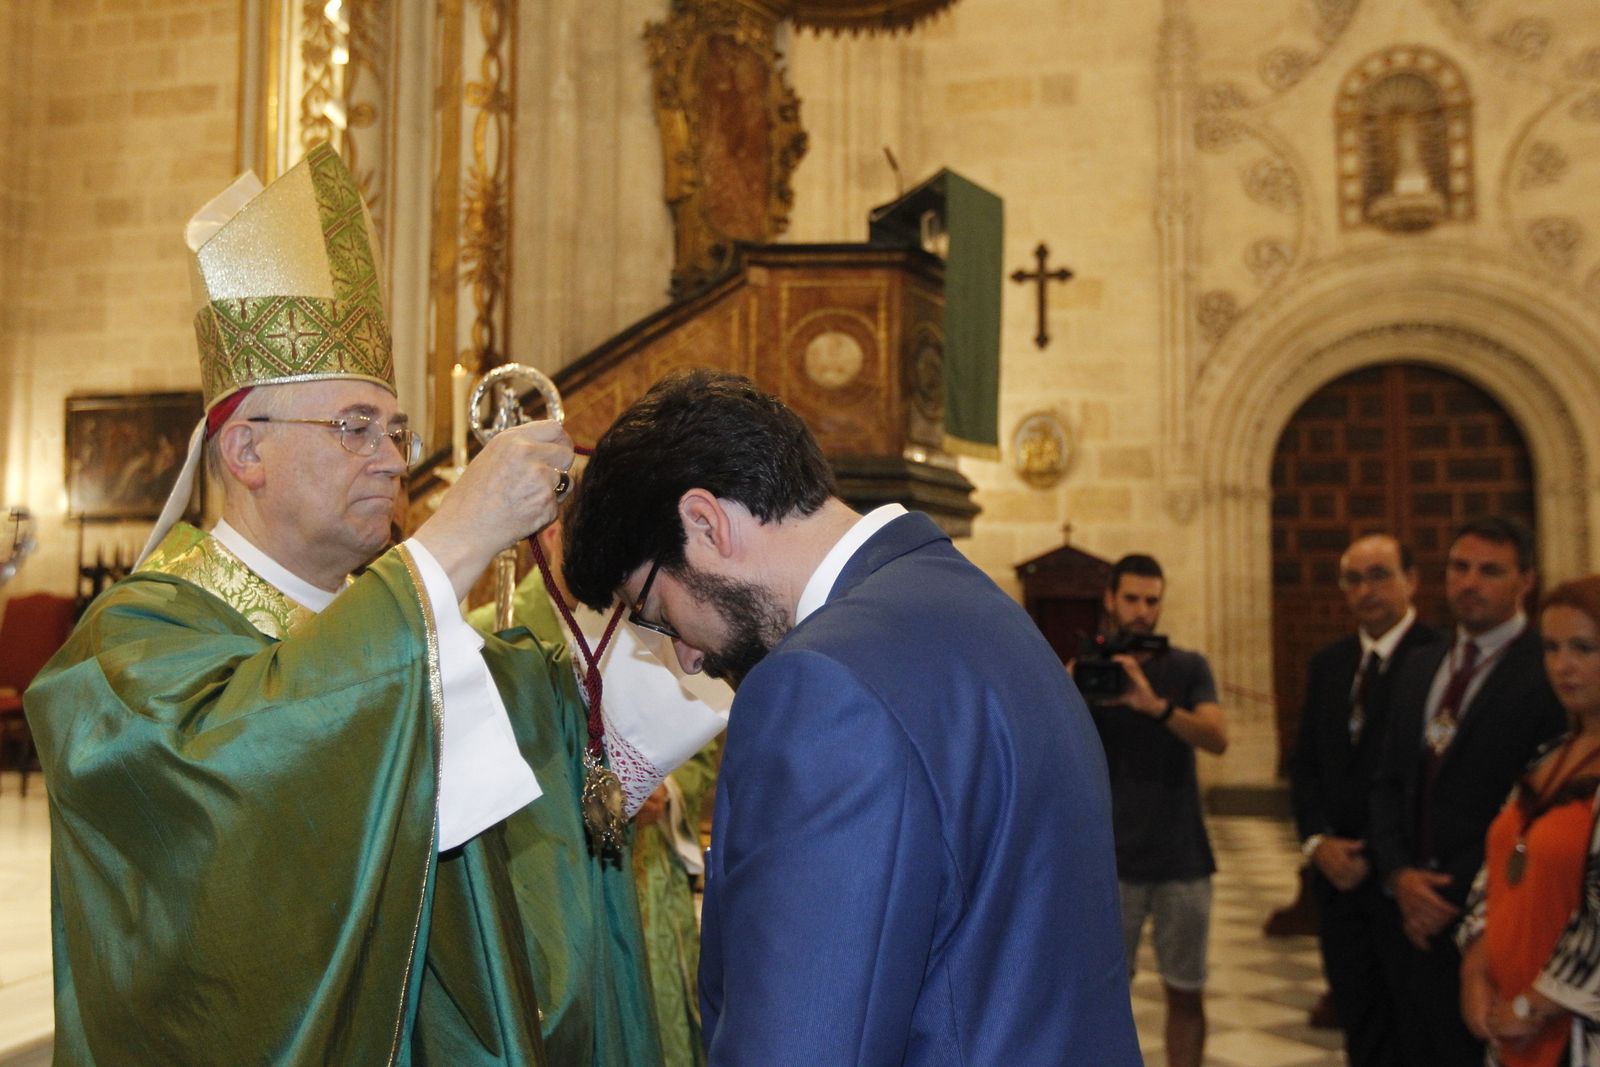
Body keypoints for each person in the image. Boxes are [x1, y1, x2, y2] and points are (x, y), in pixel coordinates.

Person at [23, 146, 690, 1065]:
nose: (391, 458)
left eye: (397, 430)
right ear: (245, 452)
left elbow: (528, 735)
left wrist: (688, 633)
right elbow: (253, 776)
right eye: (354, 428)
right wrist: (459, 533)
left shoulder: (394, 624)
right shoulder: (131, 642)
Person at [561, 370, 1140, 1065]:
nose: (686, 656)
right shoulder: (976, 605)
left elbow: (805, 1043)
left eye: (658, 613)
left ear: (706, 524)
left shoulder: (822, 686)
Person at [469, 517, 730, 1067]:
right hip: (540, 868)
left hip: (645, 866)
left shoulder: (646, 621)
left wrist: (670, 794)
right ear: (547, 534)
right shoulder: (490, 627)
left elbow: (701, 740)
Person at [1369, 516, 1566, 1064]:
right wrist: (1399, 875)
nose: (1470, 583)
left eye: (1490, 571)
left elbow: (1537, 809)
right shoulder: (1420, 664)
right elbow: (1387, 782)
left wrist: (1453, 895)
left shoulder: (1548, 671)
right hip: (1406, 917)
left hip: (1493, 919)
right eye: (1460, 567)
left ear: (1526, 580)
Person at [1289, 533, 1440, 1066]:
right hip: (1338, 888)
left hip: (1406, 885)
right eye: (1353, 579)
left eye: (1379, 576)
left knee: (1418, 1034)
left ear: (1411, 580)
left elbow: (1429, 781)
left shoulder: (1439, 658)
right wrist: (1317, 842)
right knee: (1361, 1027)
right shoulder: (1330, 664)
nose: (1365, 590)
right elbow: (1305, 765)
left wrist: (1379, 856)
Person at [1084, 553, 1228, 1067]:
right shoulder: (1088, 669)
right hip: (1111, 861)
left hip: (1181, 857)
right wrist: (1072, 684)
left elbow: (1216, 738)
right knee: (1101, 998)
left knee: (1185, 990)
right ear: (1110, 599)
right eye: (1132, 599)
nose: (1143, 611)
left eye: (1152, 600)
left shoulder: (1187, 667)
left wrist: (1157, 707)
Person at [1459, 575, 1600, 1067]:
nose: (1563, 665)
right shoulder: (1550, 755)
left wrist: (1533, 1006)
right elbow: (1496, 869)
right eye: (1551, 648)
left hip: (1576, 1031)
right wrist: (1476, 967)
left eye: (1583, 648)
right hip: (1513, 1022)